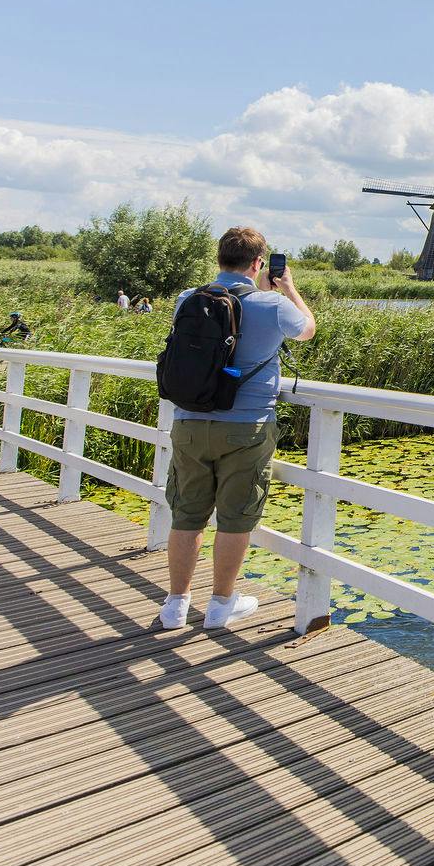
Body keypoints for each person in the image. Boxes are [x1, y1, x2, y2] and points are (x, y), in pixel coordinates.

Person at [157, 226, 315, 631]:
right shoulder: (272, 304)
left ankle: (175, 605)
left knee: (186, 514)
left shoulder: (186, 300)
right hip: (246, 425)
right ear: (259, 263)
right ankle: (220, 605)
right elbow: (307, 330)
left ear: (219, 259)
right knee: (234, 518)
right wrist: (288, 289)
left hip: (189, 421)